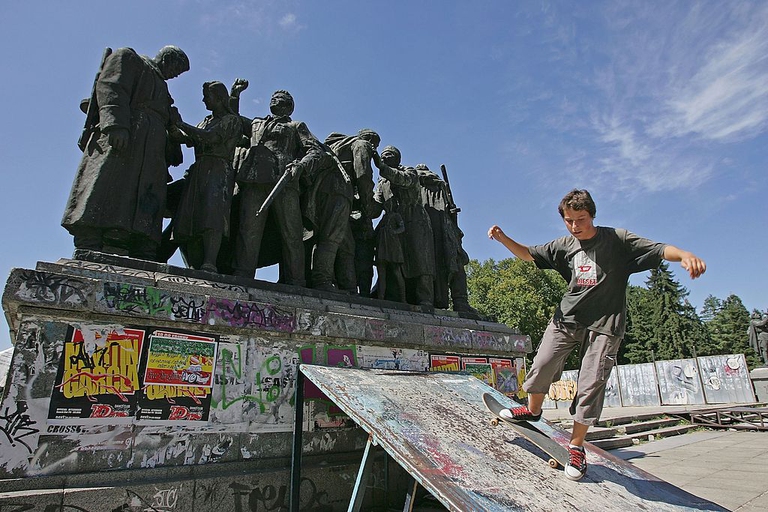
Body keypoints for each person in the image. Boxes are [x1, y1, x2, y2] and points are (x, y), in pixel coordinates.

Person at [488, 189, 706, 481]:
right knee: (542, 363)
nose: (576, 226)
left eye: (581, 219)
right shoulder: (564, 245)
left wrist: (685, 255)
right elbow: (529, 254)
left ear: (592, 215)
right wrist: (503, 239)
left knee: (591, 383)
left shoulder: (617, 239)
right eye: (569, 220)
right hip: (567, 318)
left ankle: (577, 446)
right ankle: (533, 410)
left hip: (606, 325)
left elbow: (659, 249)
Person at [62, 46, 190, 260]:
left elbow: (171, 121)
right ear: (168, 59)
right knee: (110, 186)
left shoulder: (163, 89)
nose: (175, 75)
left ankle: (123, 241)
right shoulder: (130, 59)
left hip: (151, 153)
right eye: (177, 69)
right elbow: (111, 86)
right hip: (127, 138)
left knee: (142, 197)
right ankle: (92, 240)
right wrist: (115, 125)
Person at [232, 89, 323, 285]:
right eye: (273, 97)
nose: (275, 99)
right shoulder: (256, 123)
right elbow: (233, 120)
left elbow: (315, 150)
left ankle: (296, 280)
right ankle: (243, 274)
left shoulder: (295, 126)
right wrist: (235, 96)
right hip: (255, 180)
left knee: (292, 234)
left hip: (284, 182)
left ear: (289, 106)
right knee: (248, 229)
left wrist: (300, 165)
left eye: (281, 99)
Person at [171, 81, 243, 272]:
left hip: (219, 170)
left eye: (207, 96)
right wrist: (172, 125)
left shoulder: (231, 120)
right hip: (199, 170)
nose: (203, 100)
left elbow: (210, 138)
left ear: (219, 98)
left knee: (213, 217)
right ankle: (195, 263)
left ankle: (210, 261)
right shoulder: (205, 120)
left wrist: (181, 124)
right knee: (192, 216)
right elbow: (185, 138)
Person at [372, 146, 435, 306]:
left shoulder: (409, 172)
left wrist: (382, 167)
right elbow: (376, 208)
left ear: (397, 159)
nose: (384, 158)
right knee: (394, 261)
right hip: (393, 224)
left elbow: (403, 180)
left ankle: (425, 298)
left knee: (420, 259)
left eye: (388, 156)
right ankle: (389, 294)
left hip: (415, 220)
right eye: (382, 156)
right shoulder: (382, 183)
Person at [415, 164, 479, 318]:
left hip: (437, 233)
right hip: (437, 233)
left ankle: (459, 302)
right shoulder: (434, 185)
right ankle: (459, 302)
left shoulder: (429, 187)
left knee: (454, 265)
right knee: (453, 266)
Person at [324, 129, 381, 295]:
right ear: (371, 141)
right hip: (339, 196)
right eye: (375, 146)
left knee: (340, 243)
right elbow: (363, 176)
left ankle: (346, 286)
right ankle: (325, 280)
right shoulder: (362, 145)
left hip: (324, 195)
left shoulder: (338, 145)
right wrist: (368, 204)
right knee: (336, 240)